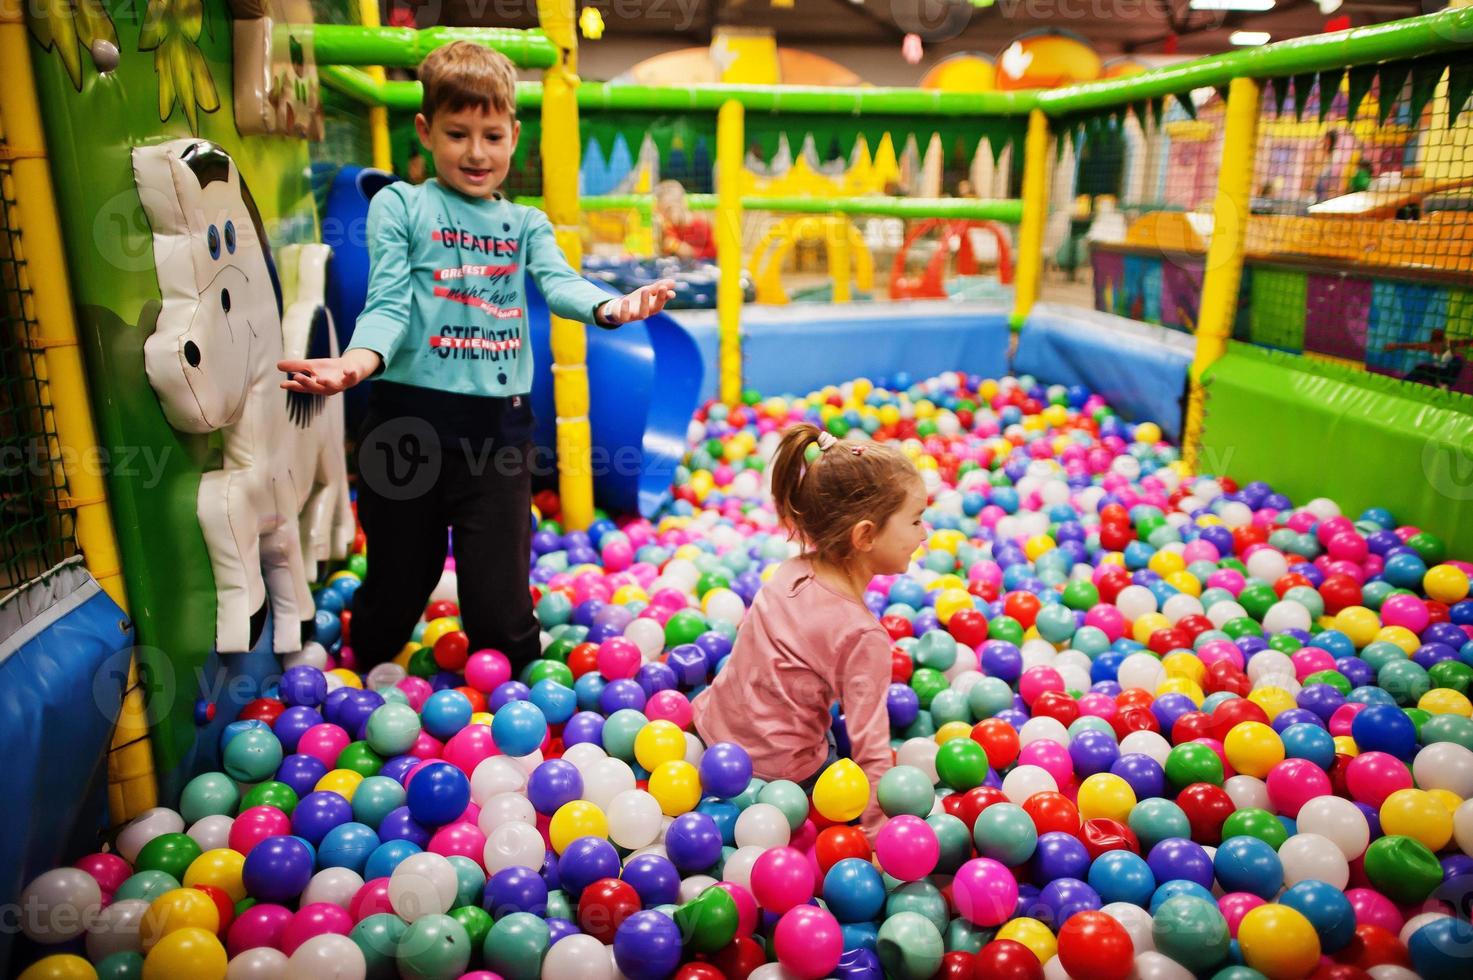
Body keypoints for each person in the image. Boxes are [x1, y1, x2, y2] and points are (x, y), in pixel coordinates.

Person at [277, 41, 675, 673]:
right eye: (457, 133)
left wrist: (611, 308)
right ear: (425, 130)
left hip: (497, 435)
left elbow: (560, 282)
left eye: (492, 135)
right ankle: (359, 668)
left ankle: (517, 710)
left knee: (499, 599)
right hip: (405, 426)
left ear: (515, 135)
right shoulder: (400, 206)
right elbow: (387, 304)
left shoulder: (524, 223)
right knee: (399, 581)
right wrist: (354, 363)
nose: (476, 152)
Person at [691, 423, 928, 839]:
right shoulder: (862, 635)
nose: (924, 534)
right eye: (914, 521)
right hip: (782, 777)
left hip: (713, 733)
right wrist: (874, 832)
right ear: (866, 535)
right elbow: (871, 749)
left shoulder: (792, 570)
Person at [652, 179, 715, 261]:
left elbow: (714, 253)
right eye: (664, 212)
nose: (667, 216)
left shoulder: (701, 224)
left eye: (669, 209)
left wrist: (690, 252)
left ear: (683, 204)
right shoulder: (669, 228)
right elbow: (666, 251)